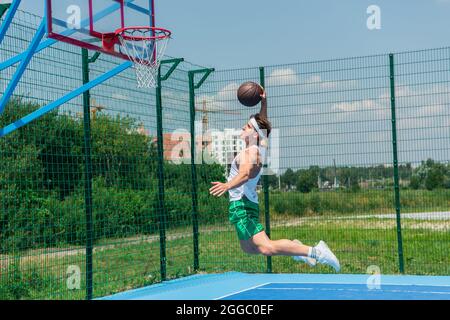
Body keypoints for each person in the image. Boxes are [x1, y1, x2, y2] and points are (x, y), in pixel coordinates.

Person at [209, 88, 340, 272]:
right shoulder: (260, 146)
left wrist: (227, 185)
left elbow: (245, 174)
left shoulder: (250, 152)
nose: (242, 128)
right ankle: (296, 249)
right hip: (247, 203)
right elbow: (262, 127)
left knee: (266, 247)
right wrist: (263, 104)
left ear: (254, 134)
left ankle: (316, 252)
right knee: (249, 248)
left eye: (246, 127)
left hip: (242, 205)